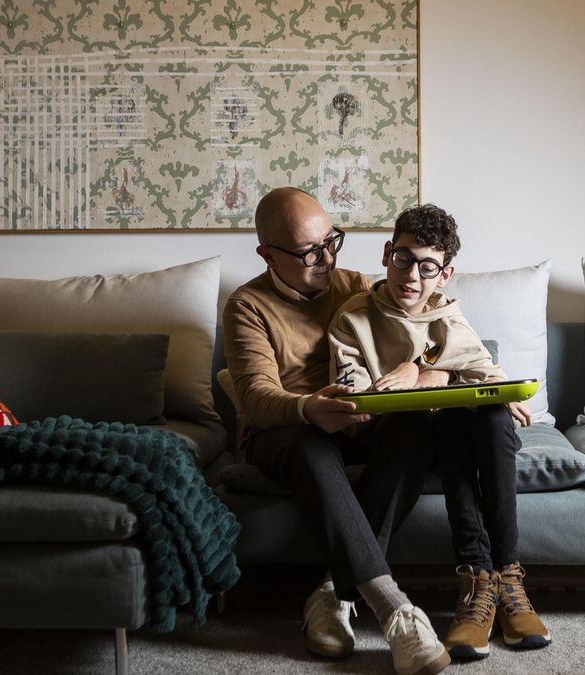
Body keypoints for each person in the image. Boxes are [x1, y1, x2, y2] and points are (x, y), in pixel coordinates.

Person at [222, 187, 451, 675]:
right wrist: (307, 407)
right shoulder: (247, 307)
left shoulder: (355, 285)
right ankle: (395, 609)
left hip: (359, 418)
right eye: (308, 252)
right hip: (285, 429)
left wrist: (420, 368)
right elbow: (254, 397)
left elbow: (438, 332)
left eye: (331, 242)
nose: (325, 258)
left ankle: (332, 592)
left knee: (417, 430)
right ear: (267, 254)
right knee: (310, 445)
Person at [328, 203, 551, 661]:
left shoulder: (449, 317)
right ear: (388, 253)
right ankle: (485, 582)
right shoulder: (353, 317)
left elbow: (489, 377)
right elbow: (359, 399)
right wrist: (435, 376)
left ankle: (496, 578)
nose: (412, 276)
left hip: (454, 435)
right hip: (397, 438)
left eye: (428, 267)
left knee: (486, 416)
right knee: (437, 417)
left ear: (445, 275)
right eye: (404, 259)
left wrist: (428, 371)